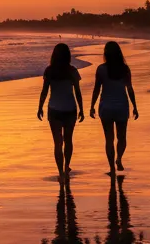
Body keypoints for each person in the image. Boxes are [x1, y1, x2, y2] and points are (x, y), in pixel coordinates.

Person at [36, 42, 83, 182]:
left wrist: (40, 107)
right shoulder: (72, 71)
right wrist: (81, 109)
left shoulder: (49, 71)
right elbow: (77, 92)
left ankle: (61, 172)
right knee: (68, 140)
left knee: (58, 143)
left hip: (54, 109)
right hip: (70, 108)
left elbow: (44, 91)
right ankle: (67, 166)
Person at [90, 41, 138, 175]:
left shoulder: (101, 69)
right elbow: (130, 89)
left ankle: (111, 167)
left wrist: (92, 106)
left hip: (106, 107)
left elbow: (96, 89)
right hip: (122, 106)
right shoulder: (124, 69)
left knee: (109, 139)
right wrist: (135, 106)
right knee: (122, 138)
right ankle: (119, 159)